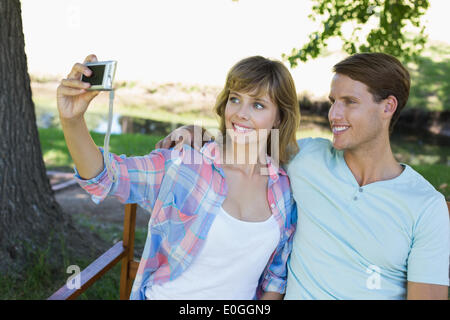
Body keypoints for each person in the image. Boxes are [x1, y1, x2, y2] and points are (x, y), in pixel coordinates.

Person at [157, 52, 449, 299]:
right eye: (333, 100)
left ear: (388, 107)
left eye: (349, 102)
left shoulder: (425, 206)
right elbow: (242, 142)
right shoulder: (303, 158)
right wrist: (199, 134)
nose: (334, 114)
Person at [57, 54, 300, 300]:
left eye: (258, 105)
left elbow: (275, 278)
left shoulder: (282, 188)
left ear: (279, 117)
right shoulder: (187, 164)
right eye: (235, 99)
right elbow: (105, 177)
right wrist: (72, 120)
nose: (241, 113)